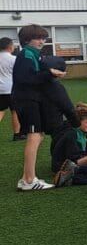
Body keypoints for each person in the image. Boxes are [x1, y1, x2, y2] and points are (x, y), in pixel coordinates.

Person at [11, 24, 68, 190]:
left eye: (43, 38)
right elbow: (26, 79)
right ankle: (29, 180)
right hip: (26, 100)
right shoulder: (26, 55)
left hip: (30, 99)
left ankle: (26, 178)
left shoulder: (32, 54)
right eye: (37, 38)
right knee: (34, 136)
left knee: (38, 136)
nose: (42, 41)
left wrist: (50, 74)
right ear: (27, 40)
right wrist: (50, 73)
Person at [51, 103, 87, 187]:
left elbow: (84, 151)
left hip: (74, 162)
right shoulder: (71, 134)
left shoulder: (80, 132)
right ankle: (67, 176)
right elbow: (73, 158)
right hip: (63, 166)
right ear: (78, 122)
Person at [0, 36, 22, 140]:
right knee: (15, 111)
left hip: (0, 90)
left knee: (0, 111)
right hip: (12, 89)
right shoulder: (14, 59)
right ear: (9, 46)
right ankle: (17, 134)